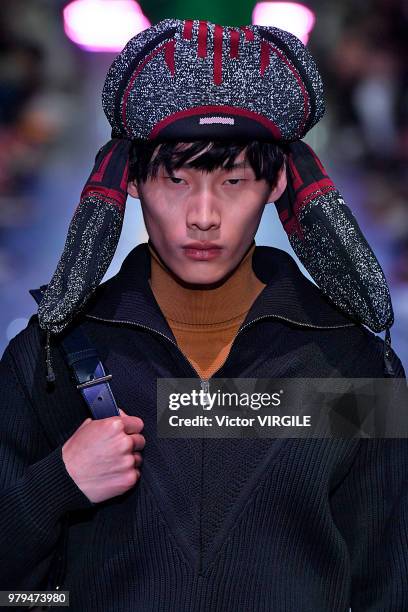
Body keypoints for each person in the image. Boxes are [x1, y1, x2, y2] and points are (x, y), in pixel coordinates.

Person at [0, 18, 407, 612]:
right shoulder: (51, 359)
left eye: (234, 179)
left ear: (276, 185)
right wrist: (56, 485)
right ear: (133, 180)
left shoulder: (348, 365)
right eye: (175, 178)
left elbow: (389, 581)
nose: (204, 214)